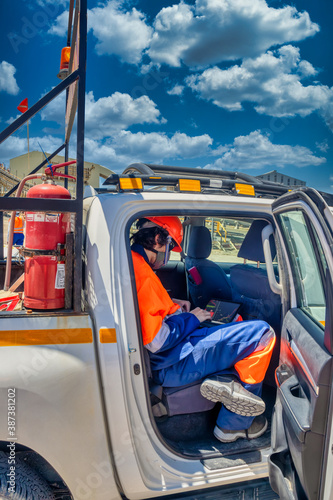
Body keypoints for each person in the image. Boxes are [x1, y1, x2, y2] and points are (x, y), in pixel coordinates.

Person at [131, 216, 276, 443]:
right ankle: (234, 425)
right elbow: (157, 341)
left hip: (173, 353)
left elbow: (144, 307)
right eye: (170, 246)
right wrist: (191, 318)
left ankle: (228, 382)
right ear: (159, 239)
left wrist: (172, 304)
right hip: (173, 361)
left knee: (235, 323)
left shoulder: (133, 262)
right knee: (263, 334)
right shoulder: (144, 274)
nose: (169, 252)